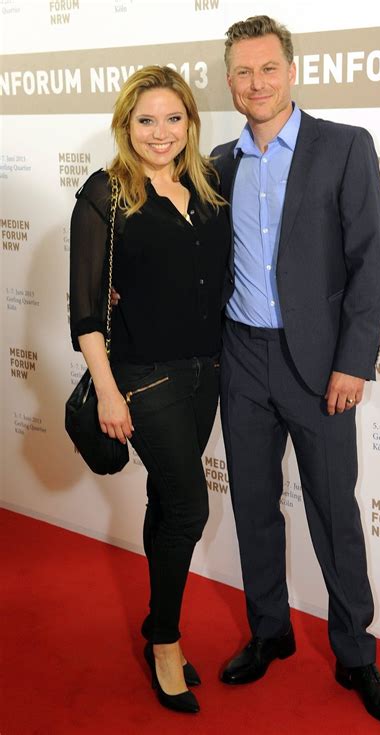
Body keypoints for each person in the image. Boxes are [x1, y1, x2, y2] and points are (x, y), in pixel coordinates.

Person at [211, 16, 380, 727]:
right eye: (243, 71)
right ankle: (269, 631)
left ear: (291, 71)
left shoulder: (345, 147)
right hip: (242, 359)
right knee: (253, 505)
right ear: (229, 80)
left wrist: (353, 362)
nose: (256, 82)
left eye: (268, 68)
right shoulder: (218, 163)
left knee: (334, 511)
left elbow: (370, 262)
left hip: (320, 367)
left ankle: (357, 654)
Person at [69, 65, 229, 714]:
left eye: (173, 118)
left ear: (190, 121)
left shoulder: (209, 184)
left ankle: (158, 621)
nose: (160, 132)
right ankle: (164, 639)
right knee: (189, 509)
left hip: (207, 373)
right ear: (125, 125)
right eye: (146, 120)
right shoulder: (105, 193)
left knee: (167, 500)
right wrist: (108, 392)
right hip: (144, 378)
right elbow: (85, 310)